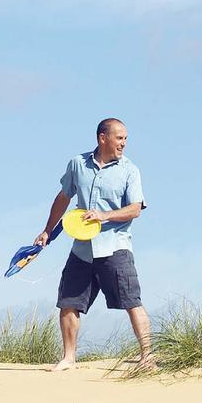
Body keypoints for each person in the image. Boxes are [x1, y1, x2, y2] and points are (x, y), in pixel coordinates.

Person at [34, 118, 152, 371]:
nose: (124, 143)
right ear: (102, 138)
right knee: (68, 303)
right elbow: (64, 197)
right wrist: (47, 230)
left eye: (125, 138)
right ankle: (68, 359)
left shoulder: (130, 170)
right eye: (119, 138)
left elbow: (135, 209)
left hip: (115, 246)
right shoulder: (78, 164)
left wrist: (104, 215)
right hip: (82, 249)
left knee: (132, 301)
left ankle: (147, 357)